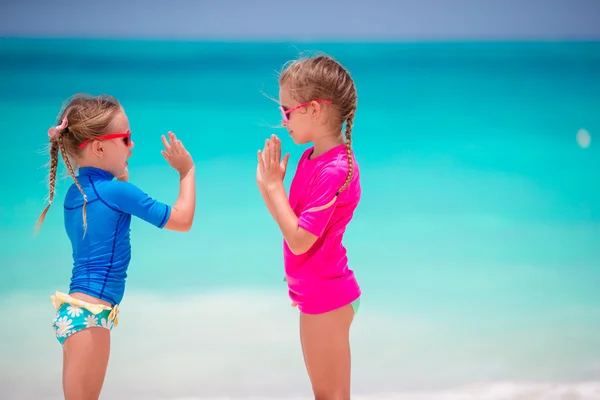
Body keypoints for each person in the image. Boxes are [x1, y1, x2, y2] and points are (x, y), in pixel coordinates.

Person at [35, 93, 196, 400]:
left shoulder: (75, 195)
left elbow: (104, 222)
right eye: (126, 138)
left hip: (74, 311)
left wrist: (119, 173)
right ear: (98, 147)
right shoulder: (117, 192)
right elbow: (182, 219)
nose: (132, 145)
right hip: (93, 316)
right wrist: (186, 172)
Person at [256, 54, 362, 399]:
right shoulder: (311, 158)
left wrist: (274, 189)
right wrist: (270, 190)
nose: (282, 120)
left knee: (330, 396)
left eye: (287, 110)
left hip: (328, 299)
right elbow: (295, 227)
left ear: (314, 110)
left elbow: (301, 241)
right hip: (316, 294)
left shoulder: (335, 169)